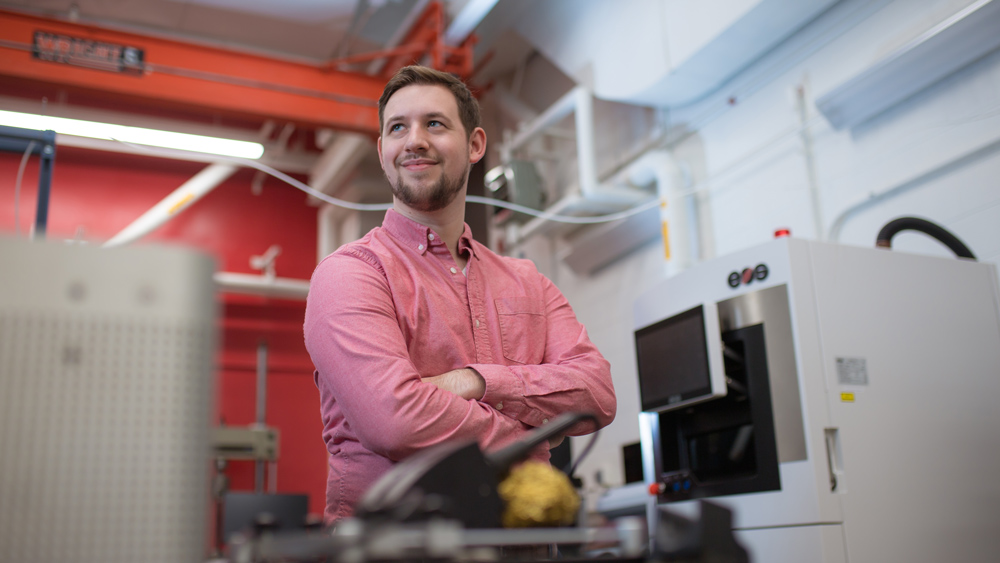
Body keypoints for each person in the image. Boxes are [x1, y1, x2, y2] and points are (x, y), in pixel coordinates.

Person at [304, 65, 616, 523]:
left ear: (474, 145)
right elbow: (396, 420)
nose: (414, 140)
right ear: (382, 150)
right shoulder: (350, 275)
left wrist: (476, 380)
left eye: (434, 123)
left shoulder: (527, 280)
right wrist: (533, 436)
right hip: (398, 551)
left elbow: (598, 393)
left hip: (524, 549)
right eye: (398, 128)